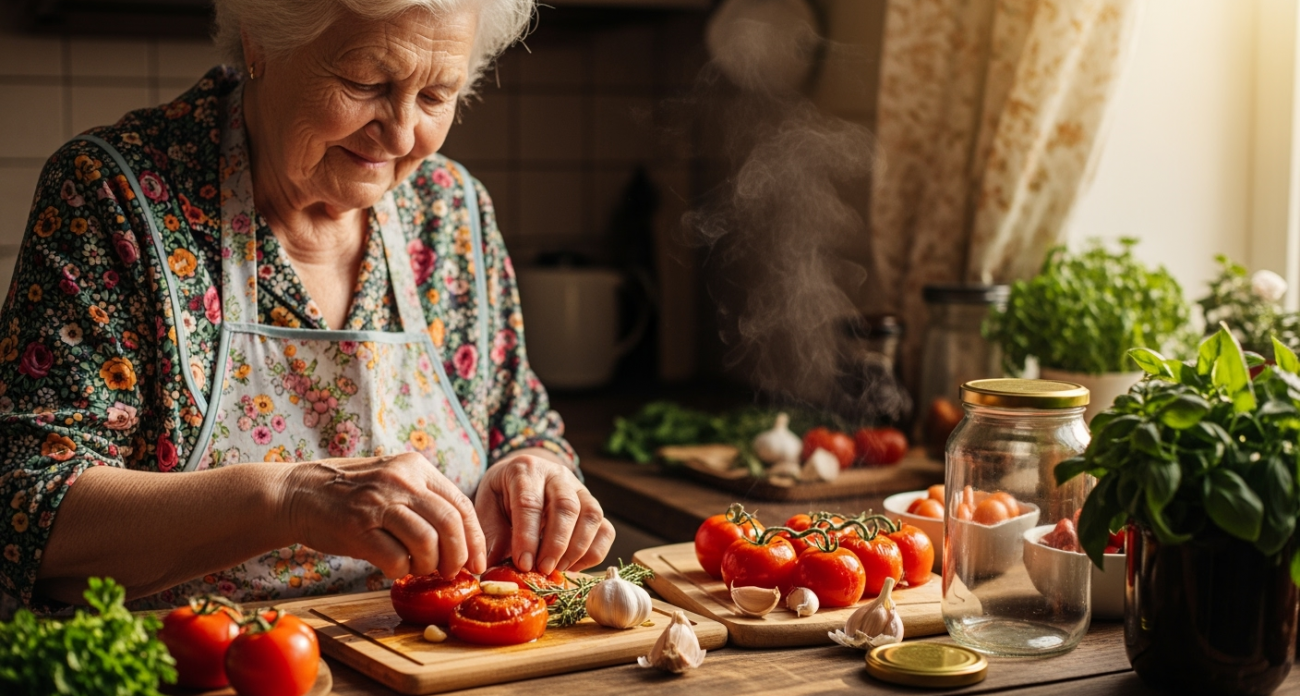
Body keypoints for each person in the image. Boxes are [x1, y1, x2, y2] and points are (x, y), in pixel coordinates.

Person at [0, 0, 613, 613]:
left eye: (435, 96)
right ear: (260, 43)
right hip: (198, 668)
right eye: (366, 83)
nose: (401, 134)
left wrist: (534, 472)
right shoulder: (113, 196)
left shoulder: (449, 208)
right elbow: (27, 508)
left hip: (428, 662)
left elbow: (520, 424)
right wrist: (289, 497)